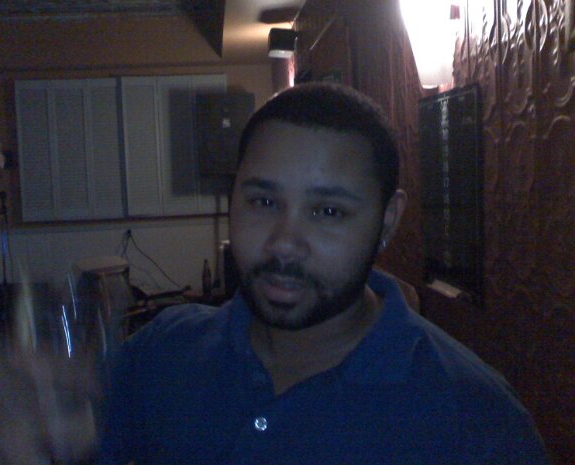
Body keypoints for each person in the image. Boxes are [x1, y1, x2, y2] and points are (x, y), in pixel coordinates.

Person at [98, 83, 549, 464]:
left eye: (328, 211)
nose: (283, 243)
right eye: (263, 201)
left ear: (387, 222)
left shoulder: (476, 421)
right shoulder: (161, 355)